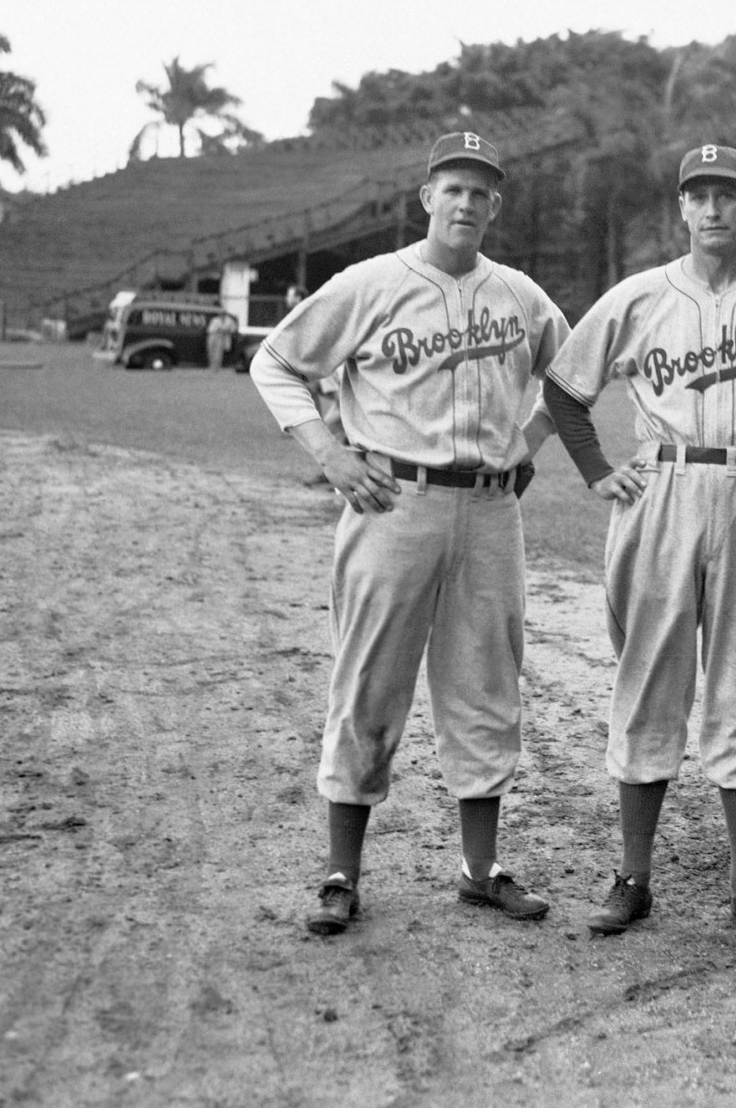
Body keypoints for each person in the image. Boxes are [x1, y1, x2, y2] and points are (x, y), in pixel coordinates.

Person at [250, 131, 570, 934]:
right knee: (368, 682)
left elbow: (573, 379)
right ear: (427, 198)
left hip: (491, 511)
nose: (465, 203)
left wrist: (526, 446)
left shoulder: (523, 298)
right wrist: (328, 452)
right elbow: (276, 362)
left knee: (487, 682)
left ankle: (480, 868)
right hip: (393, 502)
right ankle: (340, 873)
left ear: (495, 206)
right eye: (451, 189)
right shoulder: (370, 283)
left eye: (480, 192)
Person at [542, 143, 736, 946]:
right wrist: (596, 472)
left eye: (726, 194)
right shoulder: (640, 297)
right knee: (647, 678)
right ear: (679, 209)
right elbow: (566, 388)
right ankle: (632, 878)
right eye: (697, 196)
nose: (711, 209)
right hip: (662, 492)